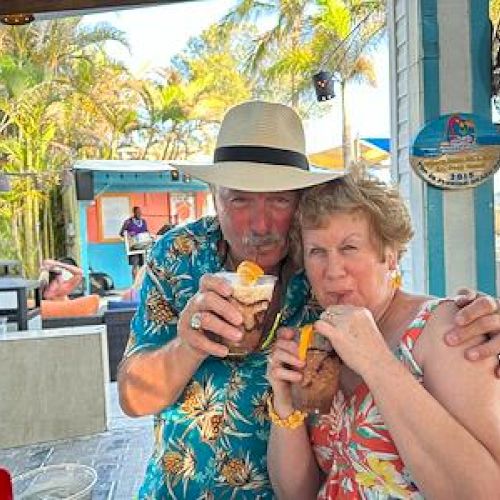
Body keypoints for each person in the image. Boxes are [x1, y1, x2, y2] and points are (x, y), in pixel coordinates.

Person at [117, 100, 500, 499]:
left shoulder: (319, 274)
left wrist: (480, 316)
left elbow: (398, 311)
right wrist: (188, 346)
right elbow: (132, 398)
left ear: (300, 202)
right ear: (215, 196)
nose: (260, 225)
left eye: (279, 200)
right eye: (240, 200)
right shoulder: (177, 254)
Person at [266, 173, 500, 499]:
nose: (333, 271)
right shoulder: (321, 342)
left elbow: (485, 492)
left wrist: (375, 361)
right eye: (317, 251)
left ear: (390, 255)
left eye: (349, 247)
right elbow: (296, 493)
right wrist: (284, 403)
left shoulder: (446, 328)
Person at [119, 206, 149, 280]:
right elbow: (121, 233)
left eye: (140, 212)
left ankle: (141, 283)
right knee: (135, 265)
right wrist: (129, 233)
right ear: (134, 213)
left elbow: (146, 231)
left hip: (143, 245)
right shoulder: (128, 222)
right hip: (133, 247)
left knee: (143, 266)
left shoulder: (144, 221)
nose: (139, 214)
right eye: (138, 212)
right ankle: (134, 284)